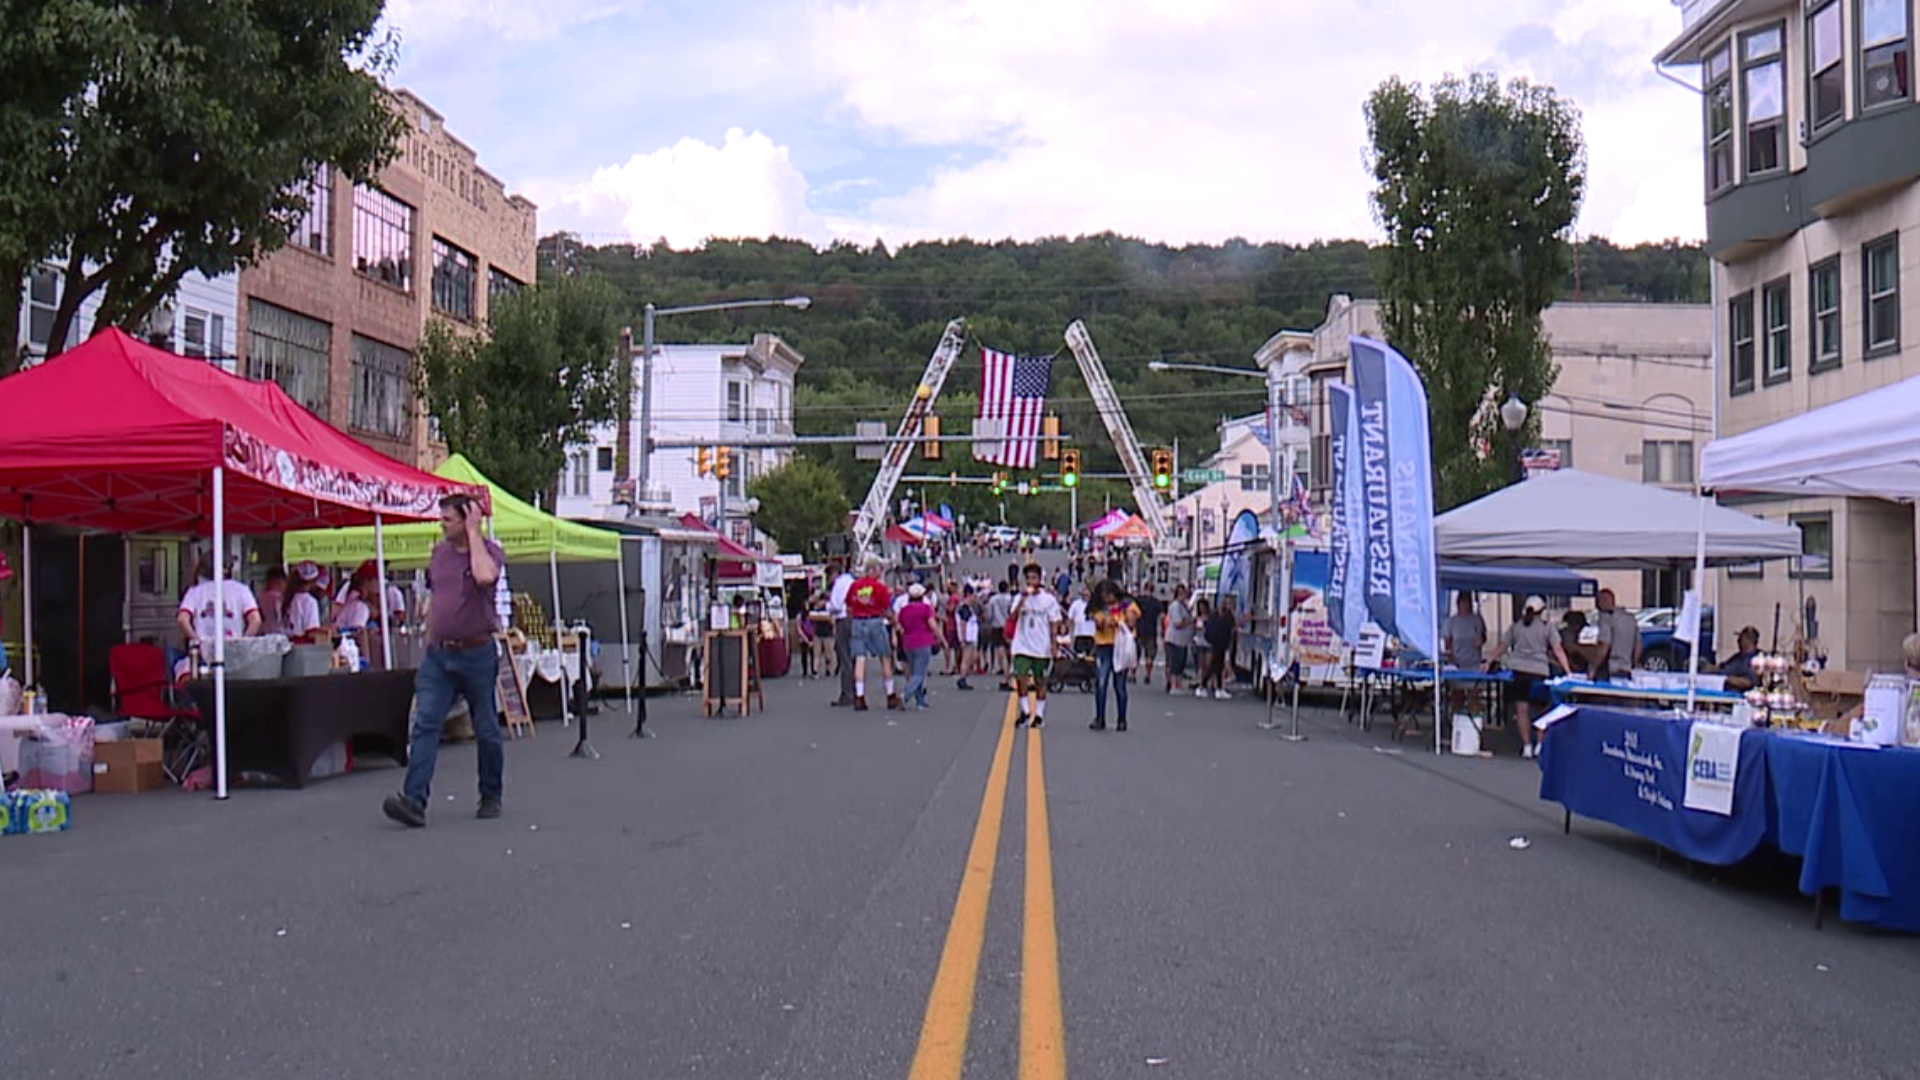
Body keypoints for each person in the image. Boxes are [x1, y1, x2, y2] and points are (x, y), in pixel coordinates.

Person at [382, 493, 506, 827]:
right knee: (426, 723)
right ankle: (414, 801)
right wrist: (430, 636)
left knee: (486, 727)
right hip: (440, 655)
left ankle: (491, 794)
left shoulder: (489, 552)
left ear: (466, 518)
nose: (441, 523)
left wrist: (474, 532)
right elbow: (438, 598)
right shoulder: (439, 556)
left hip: (477, 652)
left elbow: (484, 577)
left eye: (448, 518)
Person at [1487, 595, 1573, 760]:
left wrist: (1489, 660)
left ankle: (1527, 745)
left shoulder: (1516, 626)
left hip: (1518, 671)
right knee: (1542, 710)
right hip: (1538, 672)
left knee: (1522, 710)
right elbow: (1558, 650)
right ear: (1542, 611)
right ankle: (1540, 744)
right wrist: (1568, 670)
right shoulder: (1547, 627)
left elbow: (1502, 646)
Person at [176, 556, 263, 677]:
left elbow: (182, 620)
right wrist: (242, 644)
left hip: (205, 654)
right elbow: (256, 620)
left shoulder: (195, 591)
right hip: (234, 652)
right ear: (226, 569)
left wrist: (197, 641)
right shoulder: (242, 590)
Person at [1009, 563, 1065, 728]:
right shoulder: (1020, 598)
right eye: (1028, 578)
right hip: (1022, 644)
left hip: (1041, 646)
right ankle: (1025, 711)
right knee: (1021, 677)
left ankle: (1039, 714)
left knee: (1040, 681)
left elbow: (1055, 622)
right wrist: (1023, 599)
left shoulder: (1049, 600)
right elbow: (1012, 617)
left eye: (1034, 578)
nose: (1031, 581)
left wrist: (1055, 644)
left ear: (1040, 580)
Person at [848, 558, 900, 711]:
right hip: (875, 621)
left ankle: (859, 696)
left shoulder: (854, 586)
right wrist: (894, 621)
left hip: (858, 622)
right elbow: (886, 609)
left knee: (860, 659)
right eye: (879, 569)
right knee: (884, 657)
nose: (880, 573)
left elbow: (849, 606)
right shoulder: (879, 588)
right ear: (873, 570)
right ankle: (890, 695)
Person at [1090, 580, 1142, 732]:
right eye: (1104, 596)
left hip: (1120, 646)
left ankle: (1122, 719)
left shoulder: (1127, 604)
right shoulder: (1099, 608)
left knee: (1120, 685)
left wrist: (1123, 617)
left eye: (1109, 595)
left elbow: (1132, 621)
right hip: (1104, 646)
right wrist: (1106, 619)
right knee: (1101, 682)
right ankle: (1100, 718)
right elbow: (1099, 624)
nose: (1107, 599)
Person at [897, 583, 941, 710]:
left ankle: (921, 701)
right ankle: (906, 694)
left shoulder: (904, 610)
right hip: (923, 641)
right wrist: (940, 638)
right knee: (920, 673)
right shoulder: (926, 608)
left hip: (908, 643)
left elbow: (900, 626)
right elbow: (932, 625)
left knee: (915, 671)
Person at [1591, 589, 1641, 684]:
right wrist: (1633, 663)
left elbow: (1604, 645)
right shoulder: (1630, 618)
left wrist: (1593, 668)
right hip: (1627, 668)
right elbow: (1638, 645)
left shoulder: (1606, 618)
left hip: (1611, 668)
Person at [828, 559, 857, 706]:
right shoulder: (852, 580)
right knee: (854, 657)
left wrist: (827, 607)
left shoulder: (839, 584)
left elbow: (836, 605)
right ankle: (858, 691)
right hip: (855, 619)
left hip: (843, 620)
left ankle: (847, 694)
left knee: (844, 657)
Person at [1201, 595, 1238, 700]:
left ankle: (1216, 688)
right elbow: (1233, 627)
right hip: (1221, 642)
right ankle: (1208, 686)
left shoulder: (1216, 614)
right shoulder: (1227, 616)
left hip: (1217, 642)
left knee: (1217, 666)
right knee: (1215, 665)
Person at [1164, 583, 1195, 693]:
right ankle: (1173, 685)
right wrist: (1191, 621)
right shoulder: (1176, 606)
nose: (1184, 595)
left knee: (1181, 664)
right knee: (1175, 663)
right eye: (1181, 593)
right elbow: (1178, 623)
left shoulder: (1184, 605)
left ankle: (1179, 685)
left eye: (1185, 593)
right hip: (1175, 639)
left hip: (1183, 640)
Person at [285, 561, 326, 640]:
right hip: (305, 647)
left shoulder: (291, 597)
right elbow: (311, 632)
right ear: (314, 580)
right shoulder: (310, 602)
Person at [1133, 583, 1164, 685]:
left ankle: (1133, 674)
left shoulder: (1138, 600)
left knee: (1136, 654)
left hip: (1139, 630)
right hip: (1151, 631)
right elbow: (1162, 616)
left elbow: (1128, 608)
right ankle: (1148, 675)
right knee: (1149, 655)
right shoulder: (1156, 603)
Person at [1718, 626, 1764, 690]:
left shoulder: (1756, 659)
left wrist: (1724, 679)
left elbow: (1749, 682)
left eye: (1741, 639)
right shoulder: (1737, 656)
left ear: (1749, 641)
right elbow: (1724, 667)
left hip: (1740, 696)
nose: (1738, 641)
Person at [955, 585, 980, 691]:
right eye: (973, 595)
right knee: (966, 659)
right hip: (968, 637)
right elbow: (963, 623)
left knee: (973, 657)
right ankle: (962, 678)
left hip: (972, 637)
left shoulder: (969, 608)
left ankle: (964, 675)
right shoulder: (964, 608)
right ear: (968, 595)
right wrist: (964, 637)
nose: (974, 598)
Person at [1190, 597, 1213, 694]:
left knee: (1208, 664)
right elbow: (1193, 629)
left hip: (1208, 642)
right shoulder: (1197, 618)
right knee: (1201, 664)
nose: (1201, 609)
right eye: (1200, 607)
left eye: (1203, 607)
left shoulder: (1211, 617)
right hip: (1199, 642)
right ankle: (1201, 683)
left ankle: (1206, 680)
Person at [257, 567, 289, 637]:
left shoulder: (259, 597)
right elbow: (280, 619)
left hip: (261, 634)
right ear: (279, 581)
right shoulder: (278, 599)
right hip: (277, 635)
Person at [1068, 586, 1096, 657]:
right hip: (1079, 633)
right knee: (1079, 655)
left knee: (1090, 656)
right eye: (1084, 594)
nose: (1086, 596)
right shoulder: (1075, 604)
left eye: (1087, 594)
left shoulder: (1094, 604)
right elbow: (1070, 617)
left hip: (1091, 634)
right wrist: (1070, 632)